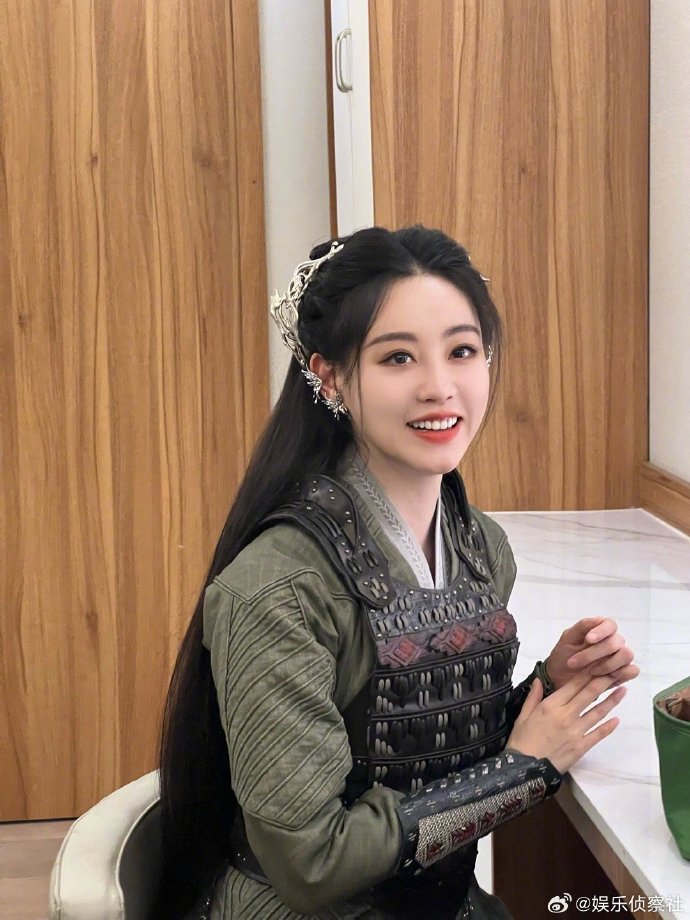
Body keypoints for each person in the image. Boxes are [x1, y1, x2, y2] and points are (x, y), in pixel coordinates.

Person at [153, 226, 639, 920]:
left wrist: (550, 688)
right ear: (330, 376)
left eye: (462, 351)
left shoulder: (481, 546)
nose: (439, 387)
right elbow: (312, 866)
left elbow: (425, 750)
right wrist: (520, 772)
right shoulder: (277, 590)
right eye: (398, 357)